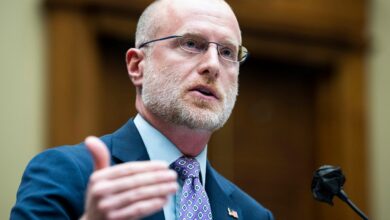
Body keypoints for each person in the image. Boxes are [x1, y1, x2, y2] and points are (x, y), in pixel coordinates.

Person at [11, 0, 274, 219]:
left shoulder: (253, 214)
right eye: (192, 44)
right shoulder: (66, 174)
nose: (213, 65)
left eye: (227, 52)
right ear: (138, 66)